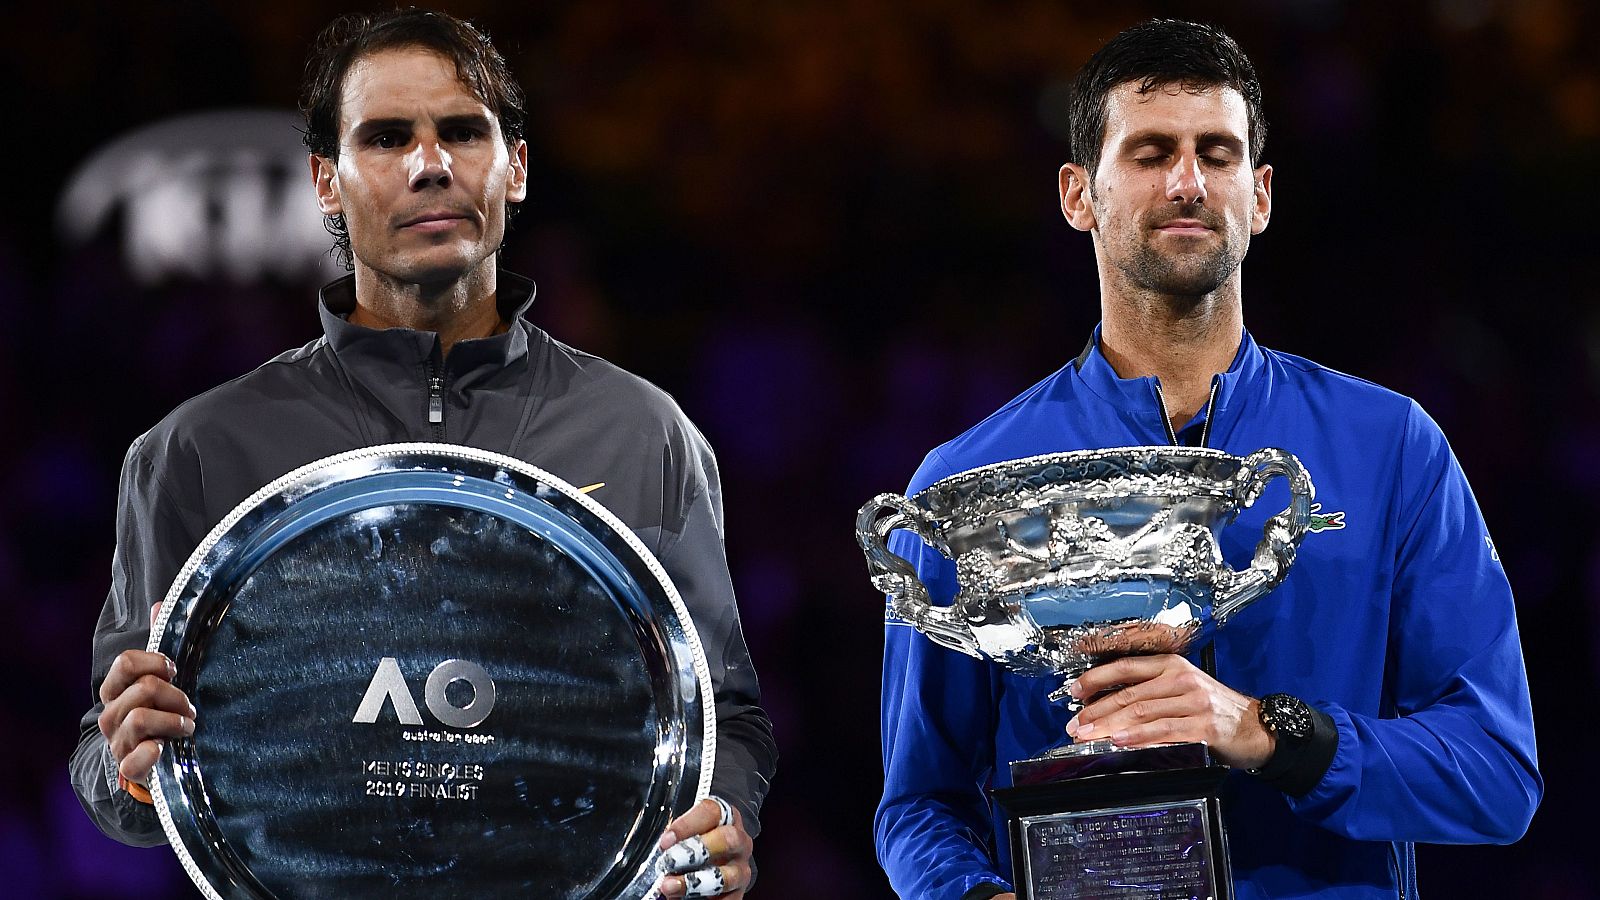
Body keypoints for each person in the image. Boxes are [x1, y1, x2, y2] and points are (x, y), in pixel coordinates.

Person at [68, 10, 774, 898]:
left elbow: (725, 718)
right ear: (328, 181)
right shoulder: (197, 450)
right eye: (388, 137)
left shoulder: (644, 432)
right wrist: (132, 764)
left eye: (463, 132)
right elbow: (110, 766)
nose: (429, 165)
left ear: (514, 167)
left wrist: (726, 817)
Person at [876, 19, 1540, 900]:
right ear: (1079, 196)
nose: (1188, 183)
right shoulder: (969, 487)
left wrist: (1271, 733)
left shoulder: (1392, 448)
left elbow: (1498, 774)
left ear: (1259, 196)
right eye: (1151, 152)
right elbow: (917, 806)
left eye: (1217, 154)